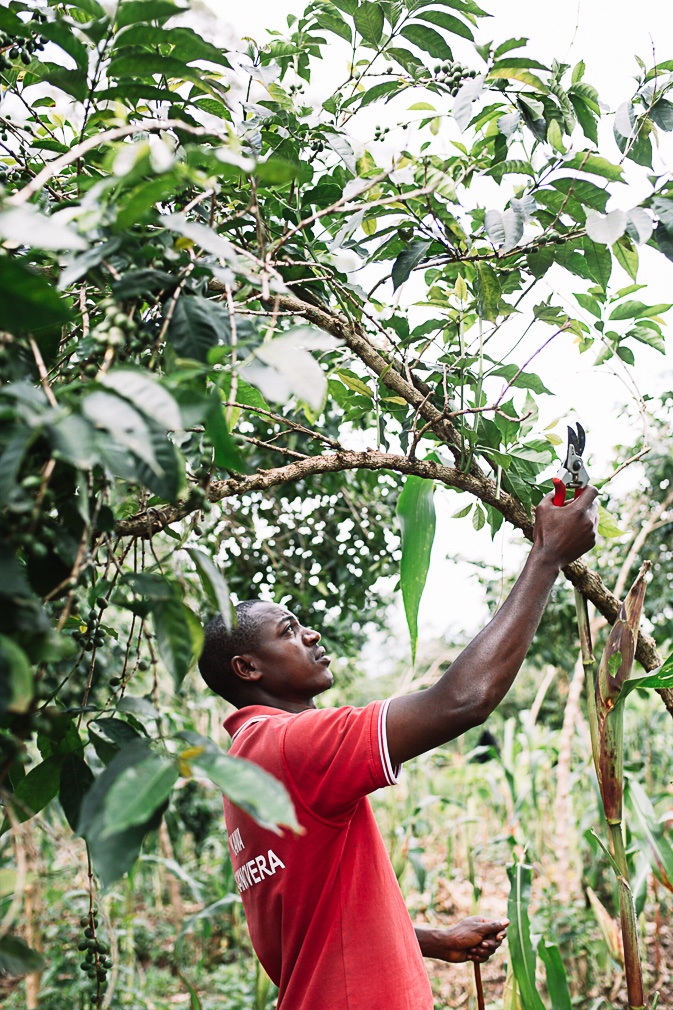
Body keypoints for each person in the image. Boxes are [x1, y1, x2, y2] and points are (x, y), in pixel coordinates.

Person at [198, 487, 598, 1009]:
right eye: (289, 631)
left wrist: (433, 940)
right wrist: (546, 556)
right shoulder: (293, 746)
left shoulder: (246, 764)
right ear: (248, 669)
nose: (313, 634)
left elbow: (311, 925)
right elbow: (462, 701)